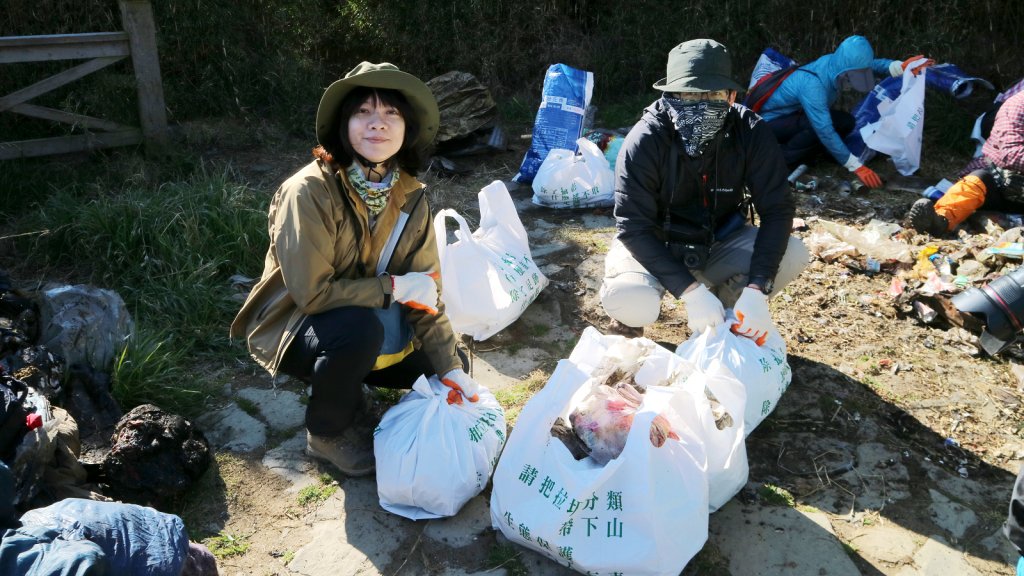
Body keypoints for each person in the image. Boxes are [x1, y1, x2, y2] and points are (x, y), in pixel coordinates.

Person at [230, 62, 479, 477]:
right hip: (298, 324)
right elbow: (312, 294)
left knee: (447, 367)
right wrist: (394, 287)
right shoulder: (308, 191)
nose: (377, 125)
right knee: (357, 332)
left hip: (365, 318)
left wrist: (450, 367)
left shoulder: (410, 195)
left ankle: (351, 389)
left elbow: (425, 291)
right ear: (344, 125)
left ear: (407, 128)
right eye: (363, 112)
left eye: (391, 114)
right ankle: (326, 432)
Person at [599, 39, 809, 343]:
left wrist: (757, 287)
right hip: (655, 244)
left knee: (793, 253)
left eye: (713, 94)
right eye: (688, 94)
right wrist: (691, 292)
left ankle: (726, 316)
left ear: (732, 96)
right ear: (669, 95)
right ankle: (631, 322)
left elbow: (777, 211)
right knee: (632, 299)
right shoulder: (646, 139)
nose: (700, 104)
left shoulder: (751, 132)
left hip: (717, 240)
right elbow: (634, 227)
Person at [754, 35, 934, 189]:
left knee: (846, 122)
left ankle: (821, 154)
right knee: (817, 128)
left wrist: (901, 67)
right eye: (853, 74)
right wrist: (857, 167)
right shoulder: (813, 85)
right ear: (844, 70)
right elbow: (824, 130)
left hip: (796, 115)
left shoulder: (837, 61)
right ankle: (781, 161)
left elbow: (871, 65)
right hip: (770, 123)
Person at [908, 90, 1024, 235]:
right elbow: (1011, 154)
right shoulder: (1017, 106)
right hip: (1001, 185)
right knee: (976, 181)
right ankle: (940, 220)